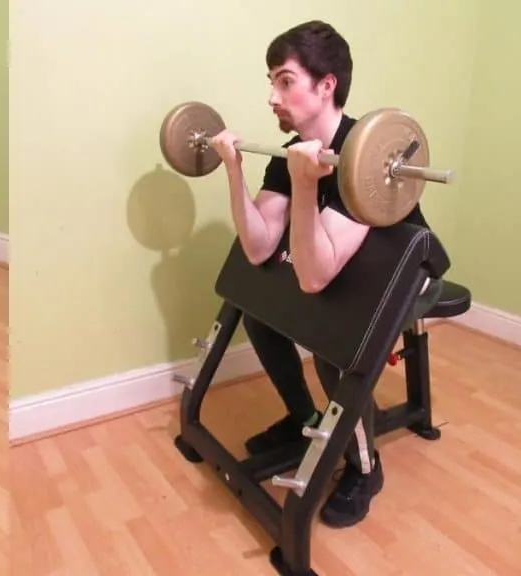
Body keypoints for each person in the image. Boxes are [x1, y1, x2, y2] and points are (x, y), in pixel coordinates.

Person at [209, 20, 438, 528]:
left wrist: (306, 185)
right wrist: (232, 171)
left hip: (408, 274)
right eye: (271, 81)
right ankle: (304, 419)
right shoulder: (293, 153)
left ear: (326, 84)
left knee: (338, 349)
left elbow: (313, 278)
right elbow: (258, 246)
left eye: (285, 80)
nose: (272, 96)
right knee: (261, 315)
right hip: (345, 259)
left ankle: (364, 465)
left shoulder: (367, 158)